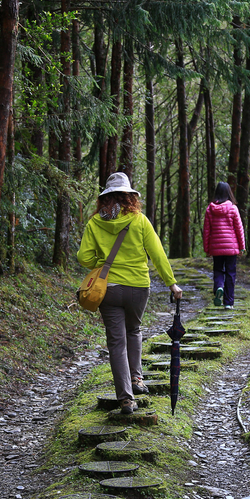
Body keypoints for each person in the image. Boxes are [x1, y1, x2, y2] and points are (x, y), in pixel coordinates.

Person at [77, 172, 182, 415]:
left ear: (105, 199)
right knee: (134, 329)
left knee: (116, 342)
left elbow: (83, 258)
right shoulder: (139, 220)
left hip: (109, 289)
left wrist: (100, 261)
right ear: (129, 197)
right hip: (138, 287)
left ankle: (126, 399)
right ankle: (137, 379)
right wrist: (171, 284)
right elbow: (157, 253)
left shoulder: (94, 223)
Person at [202, 181, 246, 308]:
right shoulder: (233, 208)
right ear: (228, 193)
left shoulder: (210, 209)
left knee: (218, 270)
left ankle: (219, 287)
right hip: (231, 248)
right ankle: (228, 302)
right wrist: (242, 246)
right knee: (230, 273)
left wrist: (207, 249)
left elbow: (207, 231)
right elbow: (239, 229)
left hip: (216, 248)